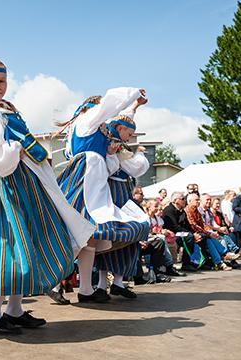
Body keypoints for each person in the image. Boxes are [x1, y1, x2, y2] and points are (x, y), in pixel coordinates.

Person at [0, 29, 93, 334]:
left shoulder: (3, 108)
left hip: (26, 185)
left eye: (2, 81)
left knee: (29, 244)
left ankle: (13, 308)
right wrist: (16, 148)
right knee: (10, 249)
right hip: (10, 187)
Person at [53, 83, 150, 304]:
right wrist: (133, 93)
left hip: (94, 180)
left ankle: (86, 289)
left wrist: (134, 105)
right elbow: (111, 106)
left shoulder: (95, 130)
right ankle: (54, 281)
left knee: (91, 237)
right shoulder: (87, 121)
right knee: (80, 233)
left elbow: (120, 117)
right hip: (86, 179)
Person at [94, 99, 153, 299]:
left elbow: (124, 119)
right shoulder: (112, 144)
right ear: (119, 129)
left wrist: (135, 106)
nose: (130, 137)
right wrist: (140, 155)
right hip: (113, 193)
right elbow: (135, 167)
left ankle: (117, 282)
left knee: (127, 235)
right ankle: (103, 284)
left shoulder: (117, 142)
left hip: (123, 193)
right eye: (129, 134)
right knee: (111, 234)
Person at [186, 193, 237, 271]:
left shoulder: (197, 210)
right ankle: (223, 257)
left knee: (212, 238)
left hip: (201, 233)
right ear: (190, 201)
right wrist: (209, 233)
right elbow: (194, 225)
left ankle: (222, 260)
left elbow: (203, 224)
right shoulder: (188, 210)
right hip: (192, 233)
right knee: (209, 238)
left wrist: (211, 233)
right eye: (196, 200)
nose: (198, 201)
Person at [162, 192, 200, 272]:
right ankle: (186, 263)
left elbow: (187, 225)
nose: (185, 201)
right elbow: (174, 227)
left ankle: (201, 261)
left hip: (179, 232)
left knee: (201, 236)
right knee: (189, 236)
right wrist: (191, 234)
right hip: (171, 234)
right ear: (176, 201)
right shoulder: (168, 210)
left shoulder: (182, 211)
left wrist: (194, 233)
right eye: (183, 199)